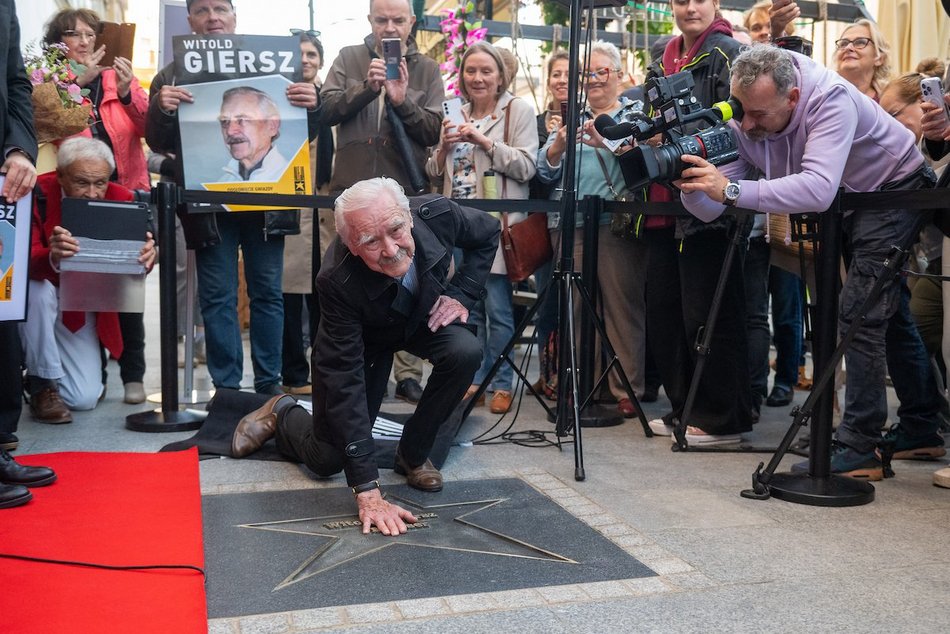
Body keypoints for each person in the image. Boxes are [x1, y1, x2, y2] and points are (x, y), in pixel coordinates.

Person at [675, 44, 946, 479]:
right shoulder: (753, 112)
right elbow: (714, 206)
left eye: (759, 115)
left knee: (859, 314)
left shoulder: (829, 97)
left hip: (894, 188)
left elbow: (817, 188)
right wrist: (693, 185)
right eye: (741, 110)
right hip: (854, 199)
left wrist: (727, 190)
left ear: (793, 98)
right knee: (885, 315)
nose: (746, 124)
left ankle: (861, 444)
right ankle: (921, 428)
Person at [230, 177, 499, 535]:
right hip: (362, 340)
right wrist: (367, 490)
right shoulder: (334, 279)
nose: (389, 250)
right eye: (371, 241)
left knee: (465, 351)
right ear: (351, 244)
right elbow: (345, 381)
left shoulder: (439, 214)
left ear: (409, 217)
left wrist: (462, 293)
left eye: (396, 230)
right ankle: (282, 411)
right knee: (328, 459)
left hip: (421, 313)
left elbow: (489, 232)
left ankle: (413, 454)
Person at [146, 0, 319, 395]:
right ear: (189, 20)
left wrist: (314, 102)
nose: (212, 18)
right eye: (202, 10)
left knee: (267, 294)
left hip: (267, 205)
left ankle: (268, 385)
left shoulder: (270, 63)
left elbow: (306, 131)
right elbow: (156, 141)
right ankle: (226, 389)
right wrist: (161, 108)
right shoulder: (171, 74)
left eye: (220, 8)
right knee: (218, 296)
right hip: (209, 205)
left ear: (234, 17)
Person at [320, 0, 446, 405]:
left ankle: (408, 373)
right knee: (341, 278)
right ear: (370, 21)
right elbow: (325, 110)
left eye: (397, 20)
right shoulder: (349, 58)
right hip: (350, 196)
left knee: (407, 280)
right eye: (381, 19)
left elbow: (432, 131)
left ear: (412, 22)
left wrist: (400, 99)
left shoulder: (426, 68)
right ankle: (352, 363)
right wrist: (366, 89)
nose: (389, 27)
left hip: (401, 196)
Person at [636, 0, 749, 443]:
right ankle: (684, 406)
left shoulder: (727, 52)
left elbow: (741, 125)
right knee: (668, 313)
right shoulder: (661, 56)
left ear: (715, 3)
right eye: (680, 0)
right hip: (664, 203)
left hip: (712, 201)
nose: (689, 6)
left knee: (712, 313)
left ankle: (723, 417)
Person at [44, 8, 151, 405]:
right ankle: (90, 371)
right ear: (58, 43)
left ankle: (133, 375)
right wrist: (76, 83)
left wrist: (126, 92)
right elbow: (46, 129)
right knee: (82, 280)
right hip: (75, 196)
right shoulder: (49, 83)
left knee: (127, 281)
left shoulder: (115, 77)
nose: (84, 41)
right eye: (73, 34)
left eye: (90, 34)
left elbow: (148, 128)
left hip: (125, 192)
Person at [536, 41, 647, 419]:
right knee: (577, 308)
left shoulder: (633, 112)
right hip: (571, 223)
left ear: (618, 75)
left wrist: (609, 141)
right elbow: (544, 169)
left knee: (621, 306)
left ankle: (626, 387)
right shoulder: (571, 115)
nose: (593, 80)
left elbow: (643, 161)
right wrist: (559, 146)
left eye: (601, 71)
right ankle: (582, 383)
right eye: (586, 74)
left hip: (615, 223)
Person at [426, 41, 538, 415]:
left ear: (500, 76)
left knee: (499, 311)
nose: (477, 78)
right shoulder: (452, 111)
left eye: (486, 71)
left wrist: (483, 140)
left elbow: (527, 167)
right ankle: (471, 379)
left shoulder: (517, 110)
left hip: (495, 231)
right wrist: (442, 147)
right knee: (463, 310)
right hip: (455, 227)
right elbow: (433, 172)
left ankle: (501, 383)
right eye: (470, 71)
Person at [20, 137, 156, 424]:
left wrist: (146, 255)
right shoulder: (37, 193)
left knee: (83, 399)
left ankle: (47, 374)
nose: (92, 193)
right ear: (60, 176)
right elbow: (21, 261)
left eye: (100, 183)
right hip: (40, 298)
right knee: (37, 291)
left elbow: (134, 268)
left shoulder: (122, 198)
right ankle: (41, 382)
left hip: (80, 307)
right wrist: (52, 256)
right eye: (82, 183)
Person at [0, 0, 58, 510]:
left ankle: (0, 446)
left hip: (2, 183)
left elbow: (16, 83)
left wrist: (19, 149)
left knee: (2, 320)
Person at [281, 30, 334, 396]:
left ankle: (324, 370)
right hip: (291, 205)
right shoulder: (278, 97)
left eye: (312, 53)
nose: (306, 60)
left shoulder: (331, 101)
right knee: (287, 293)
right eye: (300, 54)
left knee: (325, 292)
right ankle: (292, 372)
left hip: (327, 210)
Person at [217, 86, 286, 182]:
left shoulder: (289, 179)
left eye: (242, 120)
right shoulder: (222, 182)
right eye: (225, 121)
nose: (230, 131)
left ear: (272, 126)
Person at [835, 18, 891, 102]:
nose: (848, 47)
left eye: (860, 42)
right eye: (843, 43)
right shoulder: (822, 96)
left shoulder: (888, 103)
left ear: (879, 58)